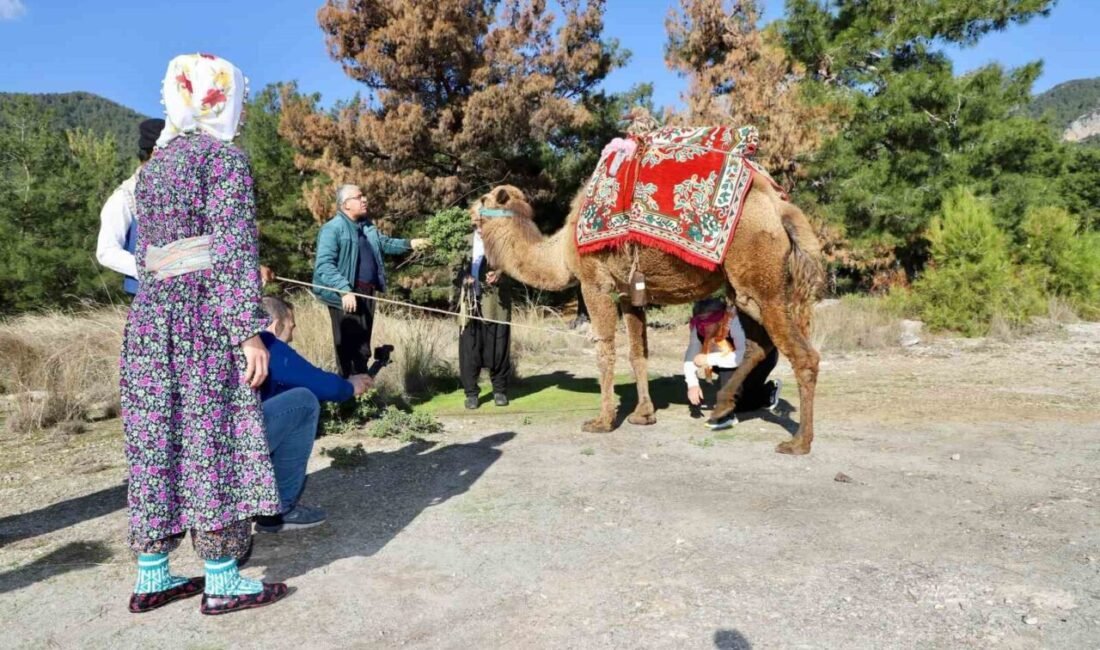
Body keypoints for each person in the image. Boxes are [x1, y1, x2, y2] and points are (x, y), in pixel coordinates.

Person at [121, 53, 287, 616]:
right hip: (203, 317)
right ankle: (222, 580)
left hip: (151, 319)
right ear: (219, 98)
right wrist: (248, 332)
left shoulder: (154, 167)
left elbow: (145, 257)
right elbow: (234, 250)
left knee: (156, 441)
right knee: (212, 436)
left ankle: (152, 574)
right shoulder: (223, 159)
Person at [253, 296, 373, 533]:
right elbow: (320, 384)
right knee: (304, 402)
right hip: (240, 444)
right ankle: (279, 510)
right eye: (291, 327)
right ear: (276, 325)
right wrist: (350, 387)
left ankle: (256, 499)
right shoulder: (267, 344)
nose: (292, 335)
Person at [312, 185, 430, 377]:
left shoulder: (367, 227)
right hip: (346, 296)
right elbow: (324, 265)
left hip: (367, 294)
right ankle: (349, 393)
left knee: (363, 350)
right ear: (346, 204)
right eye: (359, 197)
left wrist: (411, 244)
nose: (364, 199)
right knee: (349, 352)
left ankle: (362, 390)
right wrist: (344, 290)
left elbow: (385, 243)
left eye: (363, 196)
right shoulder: (332, 228)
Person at [684, 298, 782, 430]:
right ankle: (767, 393)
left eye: (711, 320)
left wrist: (708, 359)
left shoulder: (735, 322)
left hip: (760, 359)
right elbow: (691, 355)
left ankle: (726, 416)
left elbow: (740, 356)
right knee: (740, 404)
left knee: (729, 372)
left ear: (722, 317)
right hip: (728, 360)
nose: (706, 327)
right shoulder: (698, 329)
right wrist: (692, 384)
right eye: (701, 322)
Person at [96, 118, 165, 294]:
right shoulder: (125, 196)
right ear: (155, 154)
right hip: (145, 297)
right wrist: (150, 269)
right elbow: (106, 251)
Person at [452, 219, 513, 410]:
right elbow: (453, 272)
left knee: (498, 350)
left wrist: (499, 274)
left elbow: (516, 269)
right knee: (469, 352)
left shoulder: (503, 244)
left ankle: (499, 391)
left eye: (485, 224)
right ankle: (471, 394)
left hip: (496, 307)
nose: (481, 228)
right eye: (478, 224)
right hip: (469, 306)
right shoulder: (462, 242)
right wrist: (464, 278)